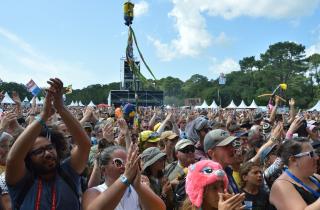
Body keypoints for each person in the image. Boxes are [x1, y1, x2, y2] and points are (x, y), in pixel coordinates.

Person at [5, 78, 91, 210]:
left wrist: (61, 108)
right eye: (38, 151)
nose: (47, 153)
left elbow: (84, 145)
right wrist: (44, 115)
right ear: (27, 158)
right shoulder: (21, 181)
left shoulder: (68, 172)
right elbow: (13, 159)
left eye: (50, 147)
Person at [82, 143, 166, 210]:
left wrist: (139, 187)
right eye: (118, 162)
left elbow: (160, 208)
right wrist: (125, 178)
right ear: (103, 170)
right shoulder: (94, 192)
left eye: (128, 162)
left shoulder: (137, 189)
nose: (125, 166)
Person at [270, 137, 320, 209]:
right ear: (293, 160)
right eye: (311, 154)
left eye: (315, 152)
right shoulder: (281, 186)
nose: (317, 157)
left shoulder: (315, 177)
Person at [204, 129, 240, 194]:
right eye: (226, 146)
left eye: (231, 144)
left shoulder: (227, 171)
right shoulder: (209, 179)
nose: (232, 149)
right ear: (211, 153)